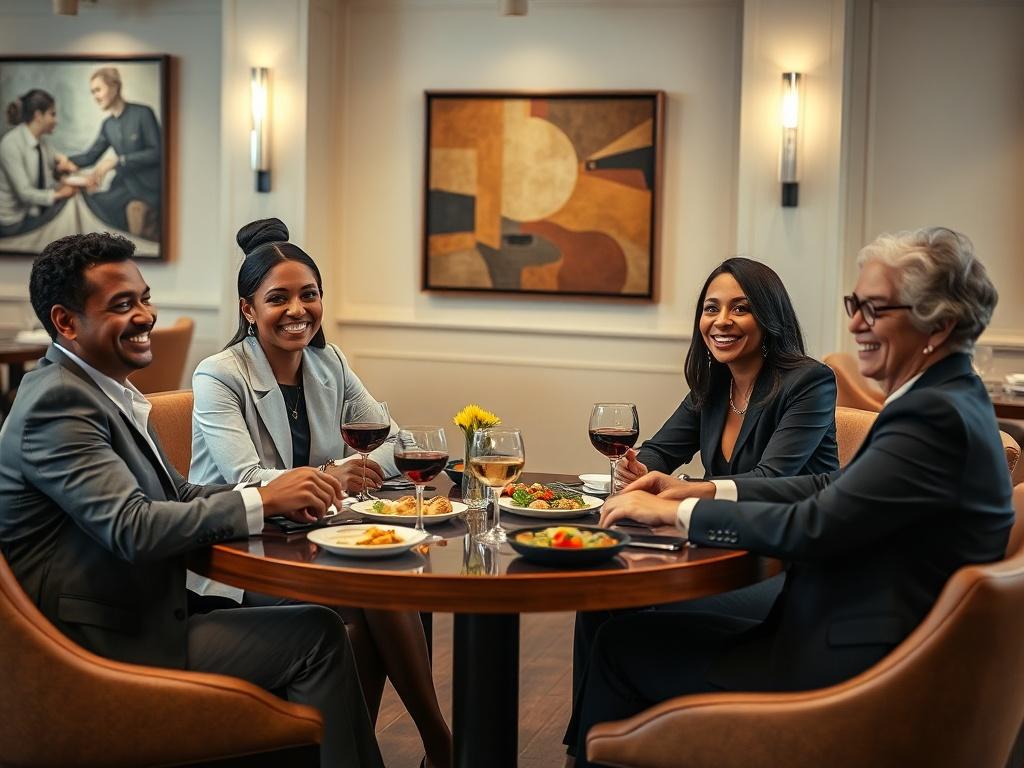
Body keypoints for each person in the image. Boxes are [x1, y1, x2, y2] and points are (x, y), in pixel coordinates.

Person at [570, 227, 1014, 768]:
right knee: (619, 622)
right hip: (856, 637)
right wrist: (676, 492)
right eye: (856, 304)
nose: (854, 323)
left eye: (875, 308)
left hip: (848, 666)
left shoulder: (932, 417)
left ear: (938, 326)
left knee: (622, 647)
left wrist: (682, 509)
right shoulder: (946, 401)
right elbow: (831, 488)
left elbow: (815, 525)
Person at [0, 232, 383, 768]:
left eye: (145, 298)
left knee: (325, 620)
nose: (146, 316)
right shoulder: (58, 404)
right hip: (93, 644)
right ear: (66, 323)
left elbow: (178, 494)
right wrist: (263, 500)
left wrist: (273, 497)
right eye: (122, 305)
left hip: (143, 608)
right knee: (316, 635)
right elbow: (132, 528)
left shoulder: (106, 391)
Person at [190, 218, 451, 768]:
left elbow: (393, 440)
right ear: (248, 309)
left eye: (309, 295)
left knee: (383, 588)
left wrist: (331, 475)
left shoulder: (329, 363)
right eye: (278, 298)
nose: (297, 310)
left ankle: (416, 746)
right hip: (242, 559)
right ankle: (434, 747)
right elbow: (252, 482)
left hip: (319, 538)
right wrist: (338, 472)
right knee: (362, 605)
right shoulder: (219, 376)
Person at [564, 257, 839, 758]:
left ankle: (612, 743)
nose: (721, 321)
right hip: (719, 548)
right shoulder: (713, 386)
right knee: (599, 596)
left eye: (740, 308)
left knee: (629, 609)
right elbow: (657, 452)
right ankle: (591, 745)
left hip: (778, 568)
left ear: (769, 317)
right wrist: (633, 464)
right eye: (711, 308)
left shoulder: (809, 382)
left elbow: (774, 480)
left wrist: (683, 488)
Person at [68, 67, 161, 239]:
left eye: (98, 90)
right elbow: (90, 156)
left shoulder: (143, 113)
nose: (95, 96)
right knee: (93, 202)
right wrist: (66, 161)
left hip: (147, 188)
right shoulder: (108, 125)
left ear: (115, 87)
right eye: (92, 92)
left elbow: (157, 153)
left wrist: (119, 161)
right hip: (123, 186)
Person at [0, 89, 77, 235]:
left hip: (30, 213)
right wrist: (60, 194)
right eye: (52, 114)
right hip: (12, 222)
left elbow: (56, 159)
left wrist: (63, 162)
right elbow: (24, 193)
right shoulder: (10, 144)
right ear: (38, 116)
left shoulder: (41, 142)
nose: (56, 120)